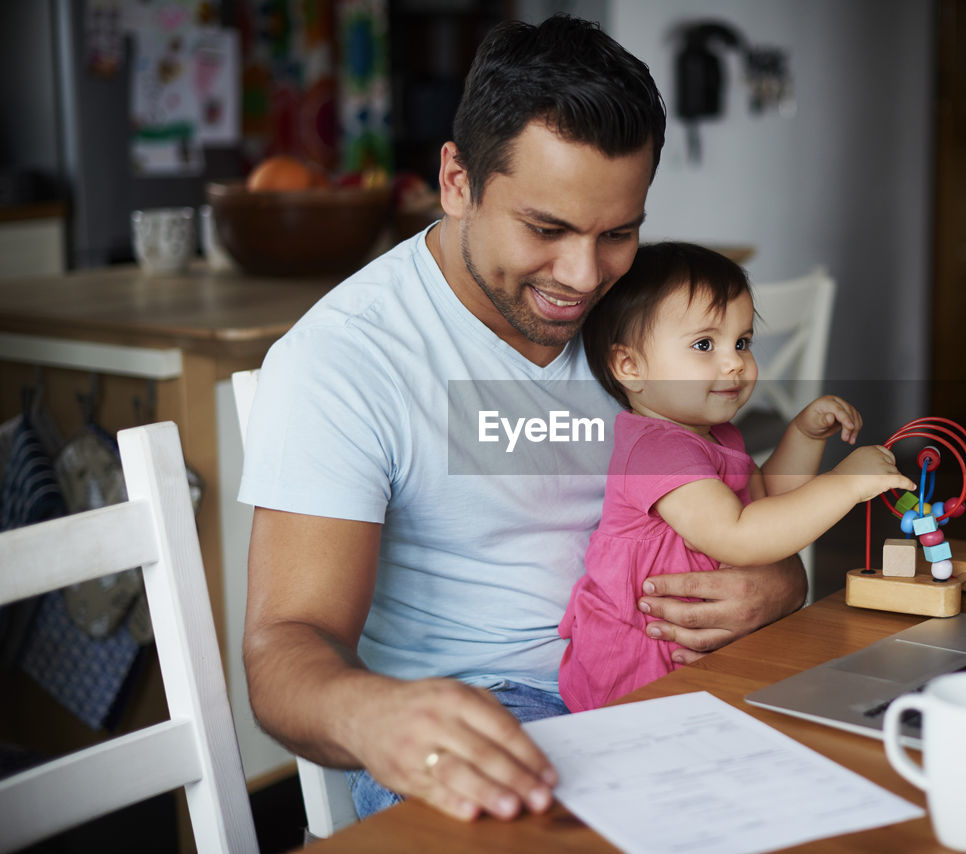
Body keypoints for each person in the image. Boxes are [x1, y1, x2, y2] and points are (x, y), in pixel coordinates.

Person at [238, 15, 808, 826]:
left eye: (619, 232)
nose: (583, 278)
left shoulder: (644, 316)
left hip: (664, 688)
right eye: (546, 229)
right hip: (484, 717)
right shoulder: (346, 360)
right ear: (457, 182)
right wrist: (374, 716)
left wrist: (782, 581)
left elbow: (735, 512)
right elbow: (284, 644)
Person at [557, 242, 915, 711]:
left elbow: (766, 501)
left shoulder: (715, 436)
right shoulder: (657, 449)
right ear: (630, 367)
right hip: (636, 667)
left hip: (691, 660)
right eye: (704, 344)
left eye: (742, 342)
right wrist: (844, 483)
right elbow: (739, 537)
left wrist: (804, 436)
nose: (734, 362)